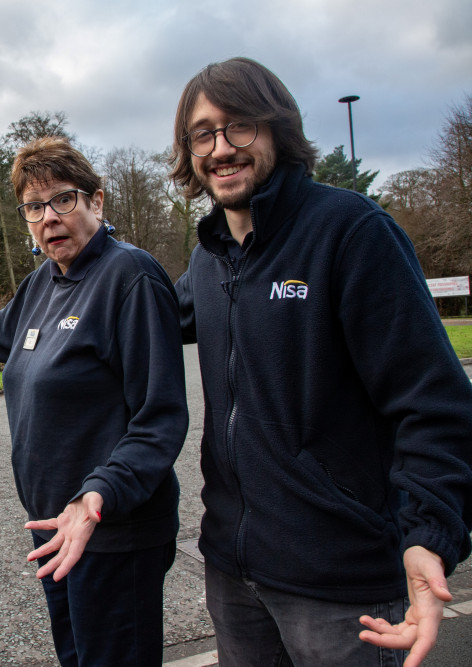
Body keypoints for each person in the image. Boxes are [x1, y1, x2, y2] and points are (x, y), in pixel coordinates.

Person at [171, 57, 472, 666]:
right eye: (203, 133)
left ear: (278, 129)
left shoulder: (350, 232)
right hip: (233, 575)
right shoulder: (208, 260)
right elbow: (122, 316)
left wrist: (428, 536)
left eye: (239, 127)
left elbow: (433, 403)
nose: (220, 148)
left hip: (342, 585)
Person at [0, 136, 189, 666]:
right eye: (34, 207)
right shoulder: (44, 280)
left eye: (63, 199)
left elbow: (160, 419)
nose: (48, 218)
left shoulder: (129, 278)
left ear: (97, 202)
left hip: (113, 533)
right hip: (57, 530)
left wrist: (95, 498)